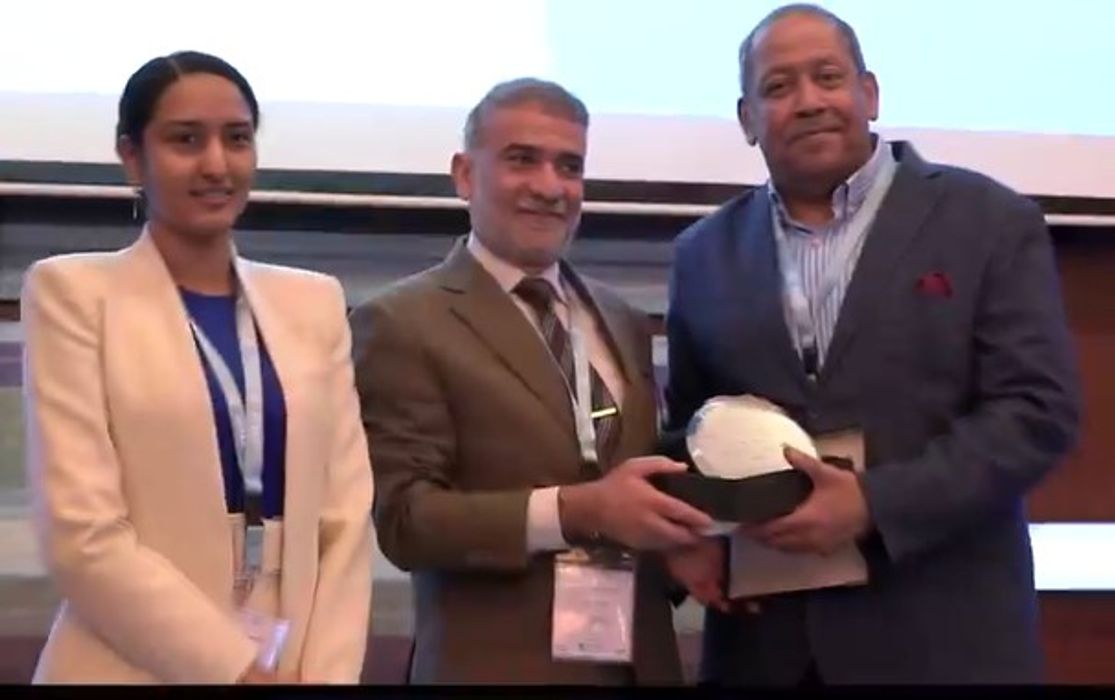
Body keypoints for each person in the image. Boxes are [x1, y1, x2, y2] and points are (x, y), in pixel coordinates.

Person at [662, 3, 1080, 685]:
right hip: (765, 648)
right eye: (778, 87)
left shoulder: (989, 221)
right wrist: (684, 536)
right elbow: (691, 430)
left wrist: (874, 503)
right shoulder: (702, 254)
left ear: (869, 93)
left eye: (827, 77)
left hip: (944, 645)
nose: (807, 101)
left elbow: (1037, 413)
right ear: (746, 118)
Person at [21, 51, 373, 684]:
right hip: (126, 663)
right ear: (133, 157)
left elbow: (345, 520)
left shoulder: (313, 302)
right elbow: (82, 535)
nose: (216, 164)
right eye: (186, 140)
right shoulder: (72, 294)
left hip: (295, 659)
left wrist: (328, 675)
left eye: (236, 139)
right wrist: (234, 673)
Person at [350, 78, 712, 685]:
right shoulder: (400, 321)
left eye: (569, 166)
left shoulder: (620, 318)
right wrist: (579, 511)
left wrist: (678, 548)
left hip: (639, 666)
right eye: (522, 160)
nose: (550, 186)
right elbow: (407, 522)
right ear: (465, 175)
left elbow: (625, 479)